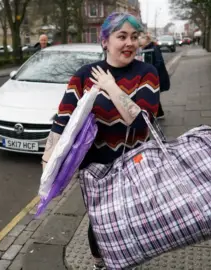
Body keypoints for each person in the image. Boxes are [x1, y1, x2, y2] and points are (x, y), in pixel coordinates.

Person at [41, 12, 160, 270]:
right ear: (105, 41)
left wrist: (112, 87)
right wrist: (47, 163)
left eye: (133, 37)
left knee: (132, 221)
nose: (129, 43)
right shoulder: (84, 76)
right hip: (95, 169)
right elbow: (62, 120)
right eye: (121, 37)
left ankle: (128, 262)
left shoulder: (146, 74)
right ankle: (100, 265)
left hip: (135, 166)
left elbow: (141, 121)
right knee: (99, 223)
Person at [139, 32, 170, 119]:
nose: (139, 39)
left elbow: (159, 62)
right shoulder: (146, 48)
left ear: (147, 39)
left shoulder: (153, 48)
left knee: (152, 94)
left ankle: (158, 113)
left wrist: (150, 71)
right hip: (151, 76)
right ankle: (158, 113)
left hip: (156, 76)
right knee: (152, 94)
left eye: (141, 38)